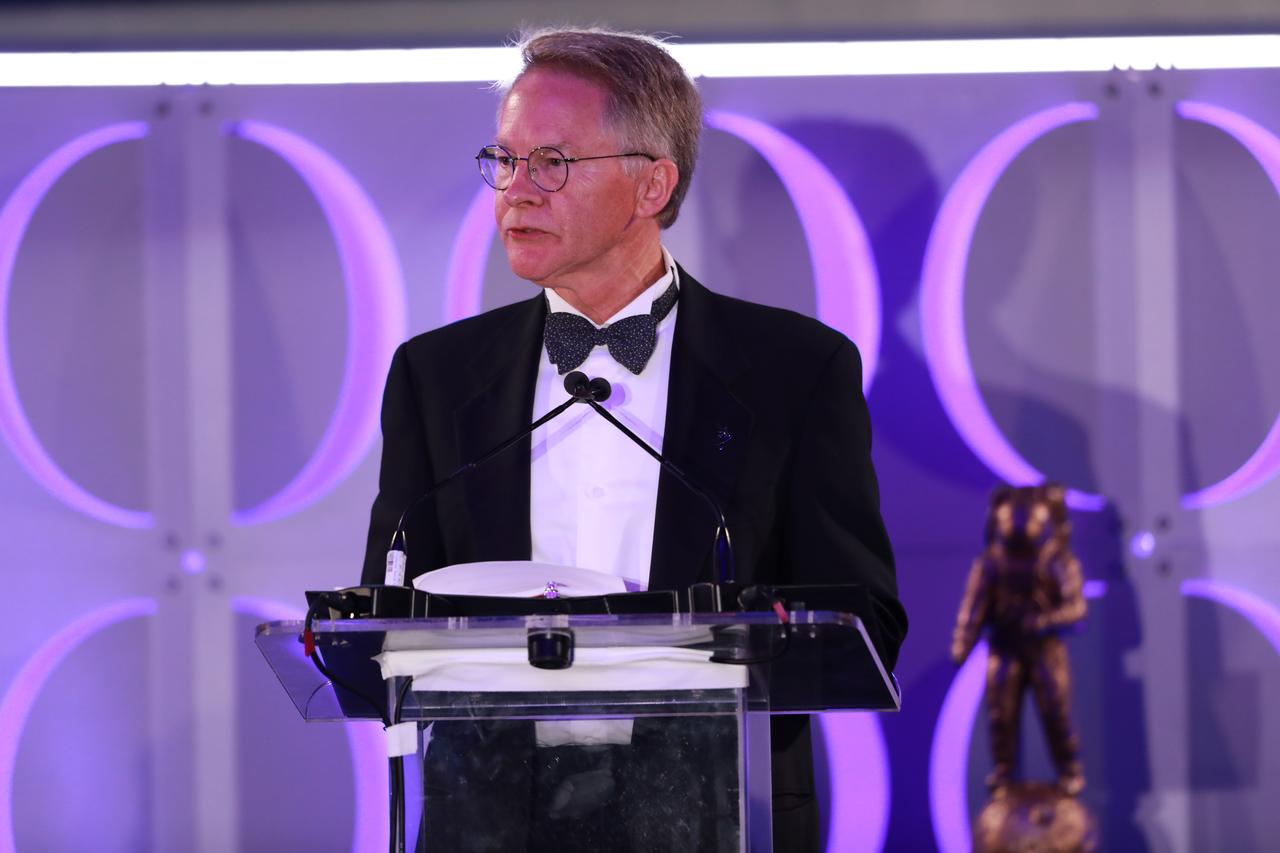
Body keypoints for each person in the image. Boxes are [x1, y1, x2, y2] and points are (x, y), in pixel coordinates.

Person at [362, 26, 907, 853]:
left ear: (652, 184)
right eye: (504, 160)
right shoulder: (435, 377)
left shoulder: (794, 371)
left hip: (716, 812)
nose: (516, 190)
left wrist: (718, 639)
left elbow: (864, 620)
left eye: (553, 162)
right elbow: (384, 620)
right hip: (490, 818)